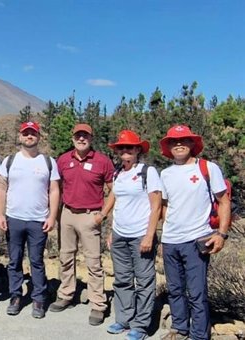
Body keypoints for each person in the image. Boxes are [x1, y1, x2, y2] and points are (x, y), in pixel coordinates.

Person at [158, 125, 231, 340]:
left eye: (183, 140)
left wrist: (222, 234)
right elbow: (164, 206)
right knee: (175, 289)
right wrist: (164, 234)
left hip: (197, 239)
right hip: (171, 240)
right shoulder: (166, 174)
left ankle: (199, 335)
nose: (178, 144)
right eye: (173, 141)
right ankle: (180, 329)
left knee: (197, 292)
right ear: (168, 146)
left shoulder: (207, 168)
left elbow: (224, 201)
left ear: (192, 144)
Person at [51, 123, 114, 326]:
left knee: (93, 262)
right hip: (67, 214)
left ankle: (97, 304)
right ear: (72, 138)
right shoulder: (63, 160)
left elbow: (114, 190)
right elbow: (56, 188)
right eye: (78, 135)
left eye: (85, 136)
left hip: (90, 216)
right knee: (65, 257)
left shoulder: (102, 161)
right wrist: (55, 213)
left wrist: (102, 214)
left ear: (91, 138)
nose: (81, 139)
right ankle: (66, 294)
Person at [0, 121, 60, 319]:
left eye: (33, 133)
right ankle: (15, 296)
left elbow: (55, 190)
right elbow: (1, 188)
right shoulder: (10, 160)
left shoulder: (48, 162)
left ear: (38, 137)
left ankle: (39, 298)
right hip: (14, 218)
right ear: (20, 136)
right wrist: (0, 214)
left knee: (37, 261)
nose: (29, 136)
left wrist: (52, 216)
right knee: (14, 260)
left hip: (38, 220)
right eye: (26, 133)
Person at [103, 130, 162, 340]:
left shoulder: (148, 172)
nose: (125, 151)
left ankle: (141, 325)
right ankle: (124, 318)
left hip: (140, 235)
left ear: (138, 149)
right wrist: (111, 231)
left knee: (144, 280)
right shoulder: (118, 173)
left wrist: (149, 236)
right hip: (120, 234)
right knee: (122, 279)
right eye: (121, 148)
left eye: (130, 147)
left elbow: (156, 207)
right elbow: (118, 204)